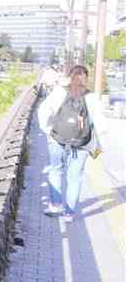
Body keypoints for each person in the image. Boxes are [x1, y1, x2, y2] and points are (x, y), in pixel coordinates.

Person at [37, 65, 107, 223]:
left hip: (57, 139)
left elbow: (43, 111)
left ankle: (55, 205)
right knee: (74, 178)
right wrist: (96, 144)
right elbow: (101, 125)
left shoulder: (60, 92)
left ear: (70, 77)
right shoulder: (91, 97)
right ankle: (68, 214)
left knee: (55, 170)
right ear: (86, 79)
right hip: (81, 144)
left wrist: (47, 130)